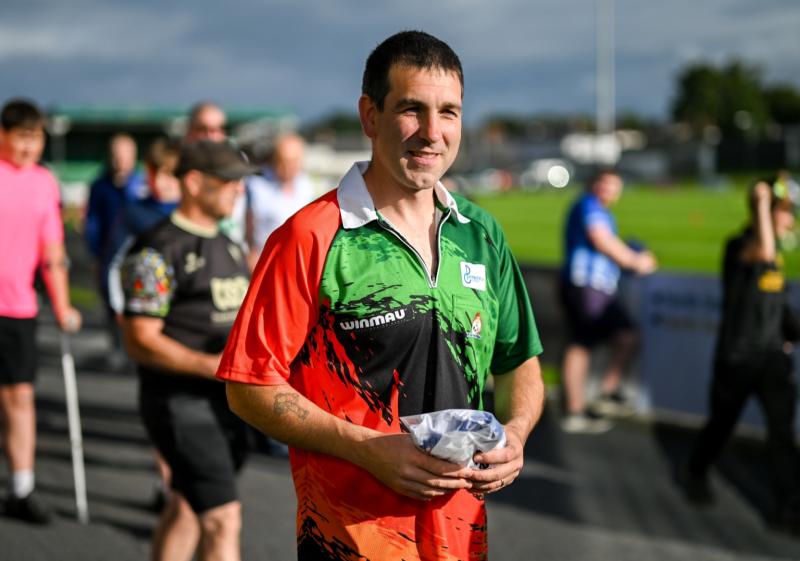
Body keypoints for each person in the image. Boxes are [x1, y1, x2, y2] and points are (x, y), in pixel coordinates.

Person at [216, 30, 545, 560]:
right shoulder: (311, 236)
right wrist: (369, 451)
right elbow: (248, 387)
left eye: (449, 112)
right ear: (370, 116)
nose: (432, 132)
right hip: (349, 539)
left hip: (463, 540)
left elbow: (519, 362)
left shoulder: (481, 234)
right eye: (412, 109)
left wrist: (517, 434)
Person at [119, 140, 254, 560]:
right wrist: (212, 365)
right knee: (223, 519)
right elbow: (139, 339)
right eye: (229, 181)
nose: (238, 190)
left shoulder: (229, 243)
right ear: (194, 183)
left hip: (229, 405)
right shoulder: (156, 249)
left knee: (186, 506)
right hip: (180, 404)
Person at [681, 178, 800, 534]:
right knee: (722, 424)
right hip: (738, 357)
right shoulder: (740, 247)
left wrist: (790, 334)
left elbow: (776, 306)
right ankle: (696, 473)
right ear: (770, 216)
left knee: (781, 434)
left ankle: (788, 508)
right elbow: (761, 253)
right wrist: (763, 203)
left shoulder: (775, 254)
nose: (792, 221)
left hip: (772, 360)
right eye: (787, 214)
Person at [0, 98, 82, 523]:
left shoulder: (44, 183)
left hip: (17, 308)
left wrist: (64, 303)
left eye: (36, 138)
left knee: (20, 397)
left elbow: (52, 250)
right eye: (21, 137)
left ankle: (21, 487)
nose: (29, 147)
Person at [558, 170, 657, 433]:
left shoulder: (601, 211)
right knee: (582, 343)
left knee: (621, 337)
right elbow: (601, 241)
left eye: (614, 186)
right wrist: (636, 261)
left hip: (596, 287)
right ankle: (577, 409)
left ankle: (599, 397)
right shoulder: (589, 205)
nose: (609, 190)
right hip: (587, 286)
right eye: (605, 184)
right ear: (594, 184)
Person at [84, 133, 145, 365]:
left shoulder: (141, 185)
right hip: (109, 254)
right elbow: (93, 222)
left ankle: (136, 347)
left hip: (136, 255)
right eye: (116, 156)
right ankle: (117, 346)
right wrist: (95, 253)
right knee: (111, 301)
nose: (120, 161)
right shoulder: (100, 186)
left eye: (125, 155)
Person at [244, 132, 315, 265]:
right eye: (283, 161)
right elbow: (245, 226)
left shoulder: (306, 185)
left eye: (294, 162)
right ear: (274, 159)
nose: (288, 168)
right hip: (265, 262)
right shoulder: (255, 185)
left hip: (299, 261)